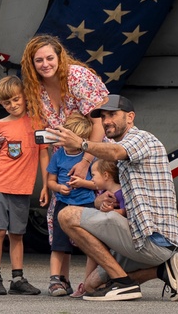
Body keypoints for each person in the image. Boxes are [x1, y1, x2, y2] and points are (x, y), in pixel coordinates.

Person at [52, 94, 178, 302]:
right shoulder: (125, 150)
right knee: (90, 286)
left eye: (113, 115)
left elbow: (116, 152)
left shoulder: (141, 138)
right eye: (104, 117)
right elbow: (112, 183)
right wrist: (100, 201)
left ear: (130, 117)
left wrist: (81, 143)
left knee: (66, 215)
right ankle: (162, 270)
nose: (107, 121)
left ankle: (124, 284)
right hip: (142, 240)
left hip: (151, 239)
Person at [21, 34, 109, 247]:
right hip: (65, 160)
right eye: (39, 60)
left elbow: (100, 123)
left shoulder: (77, 77)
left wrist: (85, 162)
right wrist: (48, 182)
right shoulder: (36, 88)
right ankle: (59, 279)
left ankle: (104, 275)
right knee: (58, 220)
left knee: (100, 218)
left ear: (60, 58)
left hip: (96, 156)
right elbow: (45, 139)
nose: (45, 64)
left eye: (50, 58)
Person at [0, 76, 48, 296]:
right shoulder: (1, 124)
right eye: (7, 102)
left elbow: (43, 155)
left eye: (15, 99)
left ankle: (18, 278)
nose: (13, 105)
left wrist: (46, 185)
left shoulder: (37, 122)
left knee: (18, 234)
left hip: (22, 187)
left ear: (24, 96)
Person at [44, 112, 96, 297]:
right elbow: (50, 180)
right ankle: (55, 280)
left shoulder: (89, 157)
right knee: (59, 244)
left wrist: (83, 183)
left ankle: (90, 281)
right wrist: (58, 187)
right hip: (63, 203)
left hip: (87, 204)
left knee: (91, 244)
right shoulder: (58, 156)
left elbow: (97, 183)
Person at [67, 158, 123, 298]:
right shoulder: (105, 193)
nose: (92, 179)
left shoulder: (120, 193)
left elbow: (126, 211)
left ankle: (91, 284)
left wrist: (112, 211)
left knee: (95, 251)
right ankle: (88, 283)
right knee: (92, 252)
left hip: (117, 235)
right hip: (109, 232)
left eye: (93, 175)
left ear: (105, 176)